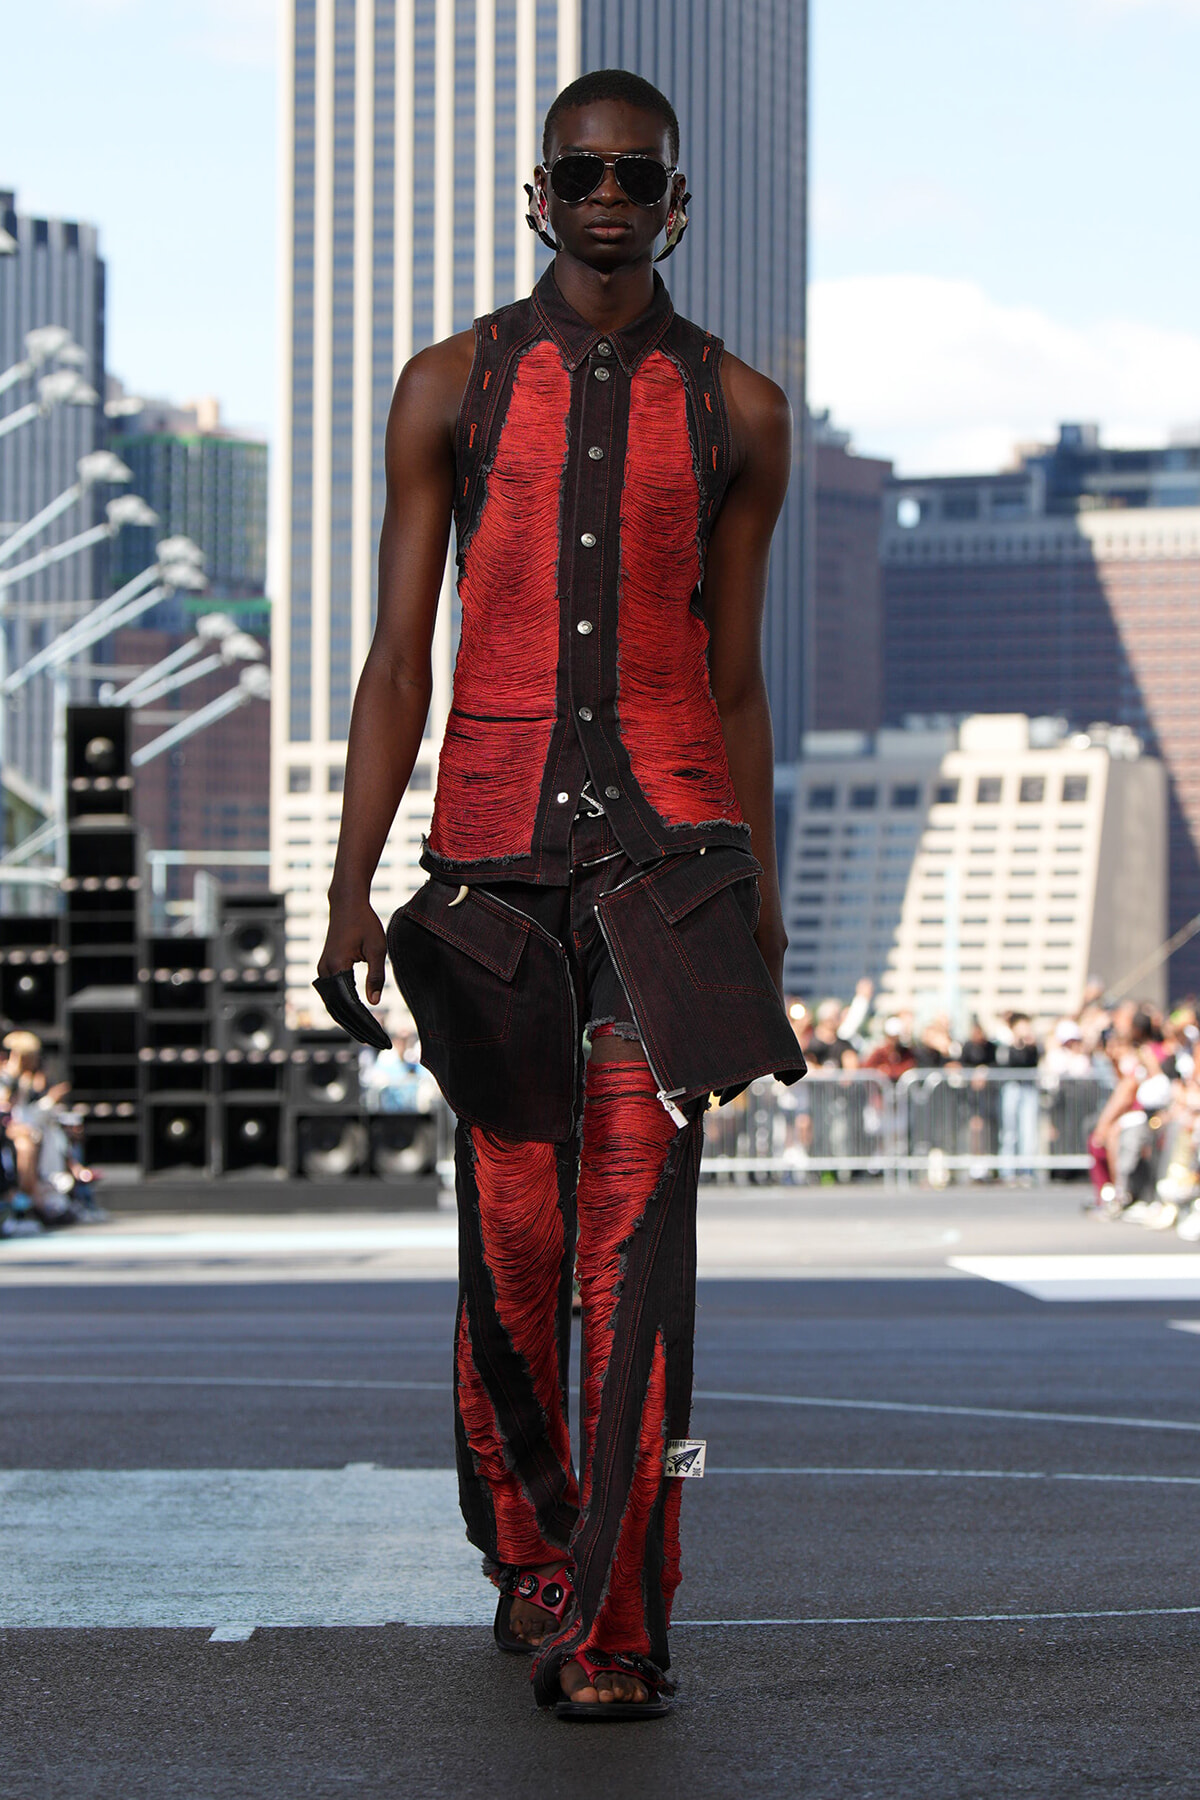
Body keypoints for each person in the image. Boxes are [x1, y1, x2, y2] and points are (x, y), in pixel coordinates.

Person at [317, 68, 805, 1720]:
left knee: (635, 1243)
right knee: (515, 1242)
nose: (607, 196)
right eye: (579, 171)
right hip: (493, 884)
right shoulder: (448, 386)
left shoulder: (741, 410)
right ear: (540, 194)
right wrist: (346, 888)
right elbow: (400, 656)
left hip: (671, 879)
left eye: (637, 175)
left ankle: (619, 1624)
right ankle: (530, 1549)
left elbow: (738, 683)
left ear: (677, 201)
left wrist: (763, 892)